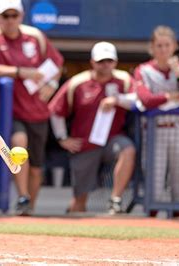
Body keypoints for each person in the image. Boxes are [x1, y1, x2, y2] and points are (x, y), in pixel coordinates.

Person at [0, 0, 64, 216]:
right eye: (6, 16)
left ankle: (28, 208)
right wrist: (20, 71)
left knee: (36, 165)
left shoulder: (35, 36)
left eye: (14, 15)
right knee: (18, 145)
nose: (10, 20)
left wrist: (52, 85)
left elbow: (57, 63)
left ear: (21, 16)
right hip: (10, 110)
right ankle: (22, 196)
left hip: (38, 110)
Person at [48, 42, 136, 214]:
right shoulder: (78, 82)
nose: (105, 65)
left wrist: (117, 100)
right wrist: (62, 138)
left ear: (115, 62)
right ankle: (74, 228)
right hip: (84, 144)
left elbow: (140, 99)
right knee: (79, 201)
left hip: (112, 139)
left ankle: (115, 200)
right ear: (93, 62)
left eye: (109, 61)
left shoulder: (124, 79)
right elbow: (56, 110)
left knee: (128, 149)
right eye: (101, 61)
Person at [134, 26, 179, 218]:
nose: (163, 50)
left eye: (167, 45)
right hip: (156, 130)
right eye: (159, 45)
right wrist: (171, 95)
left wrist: (177, 73)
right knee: (155, 181)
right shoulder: (143, 70)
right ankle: (152, 228)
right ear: (152, 47)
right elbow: (146, 99)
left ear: (175, 46)